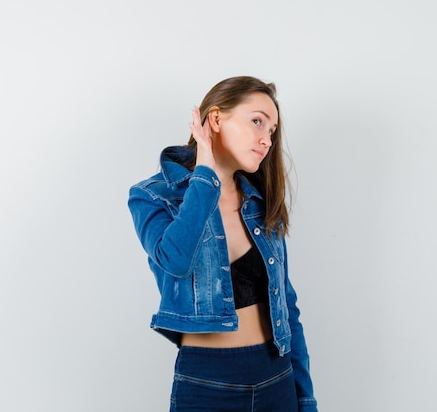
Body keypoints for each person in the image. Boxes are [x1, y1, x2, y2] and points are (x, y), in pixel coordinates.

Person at [127, 76, 318, 412]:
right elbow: (175, 259)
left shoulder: (259, 203)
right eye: (257, 121)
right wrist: (205, 174)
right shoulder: (152, 196)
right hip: (206, 382)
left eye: (271, 131)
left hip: (277, 376)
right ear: (215, 119)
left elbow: (287, 307)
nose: (266, 140)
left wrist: (306, 399)